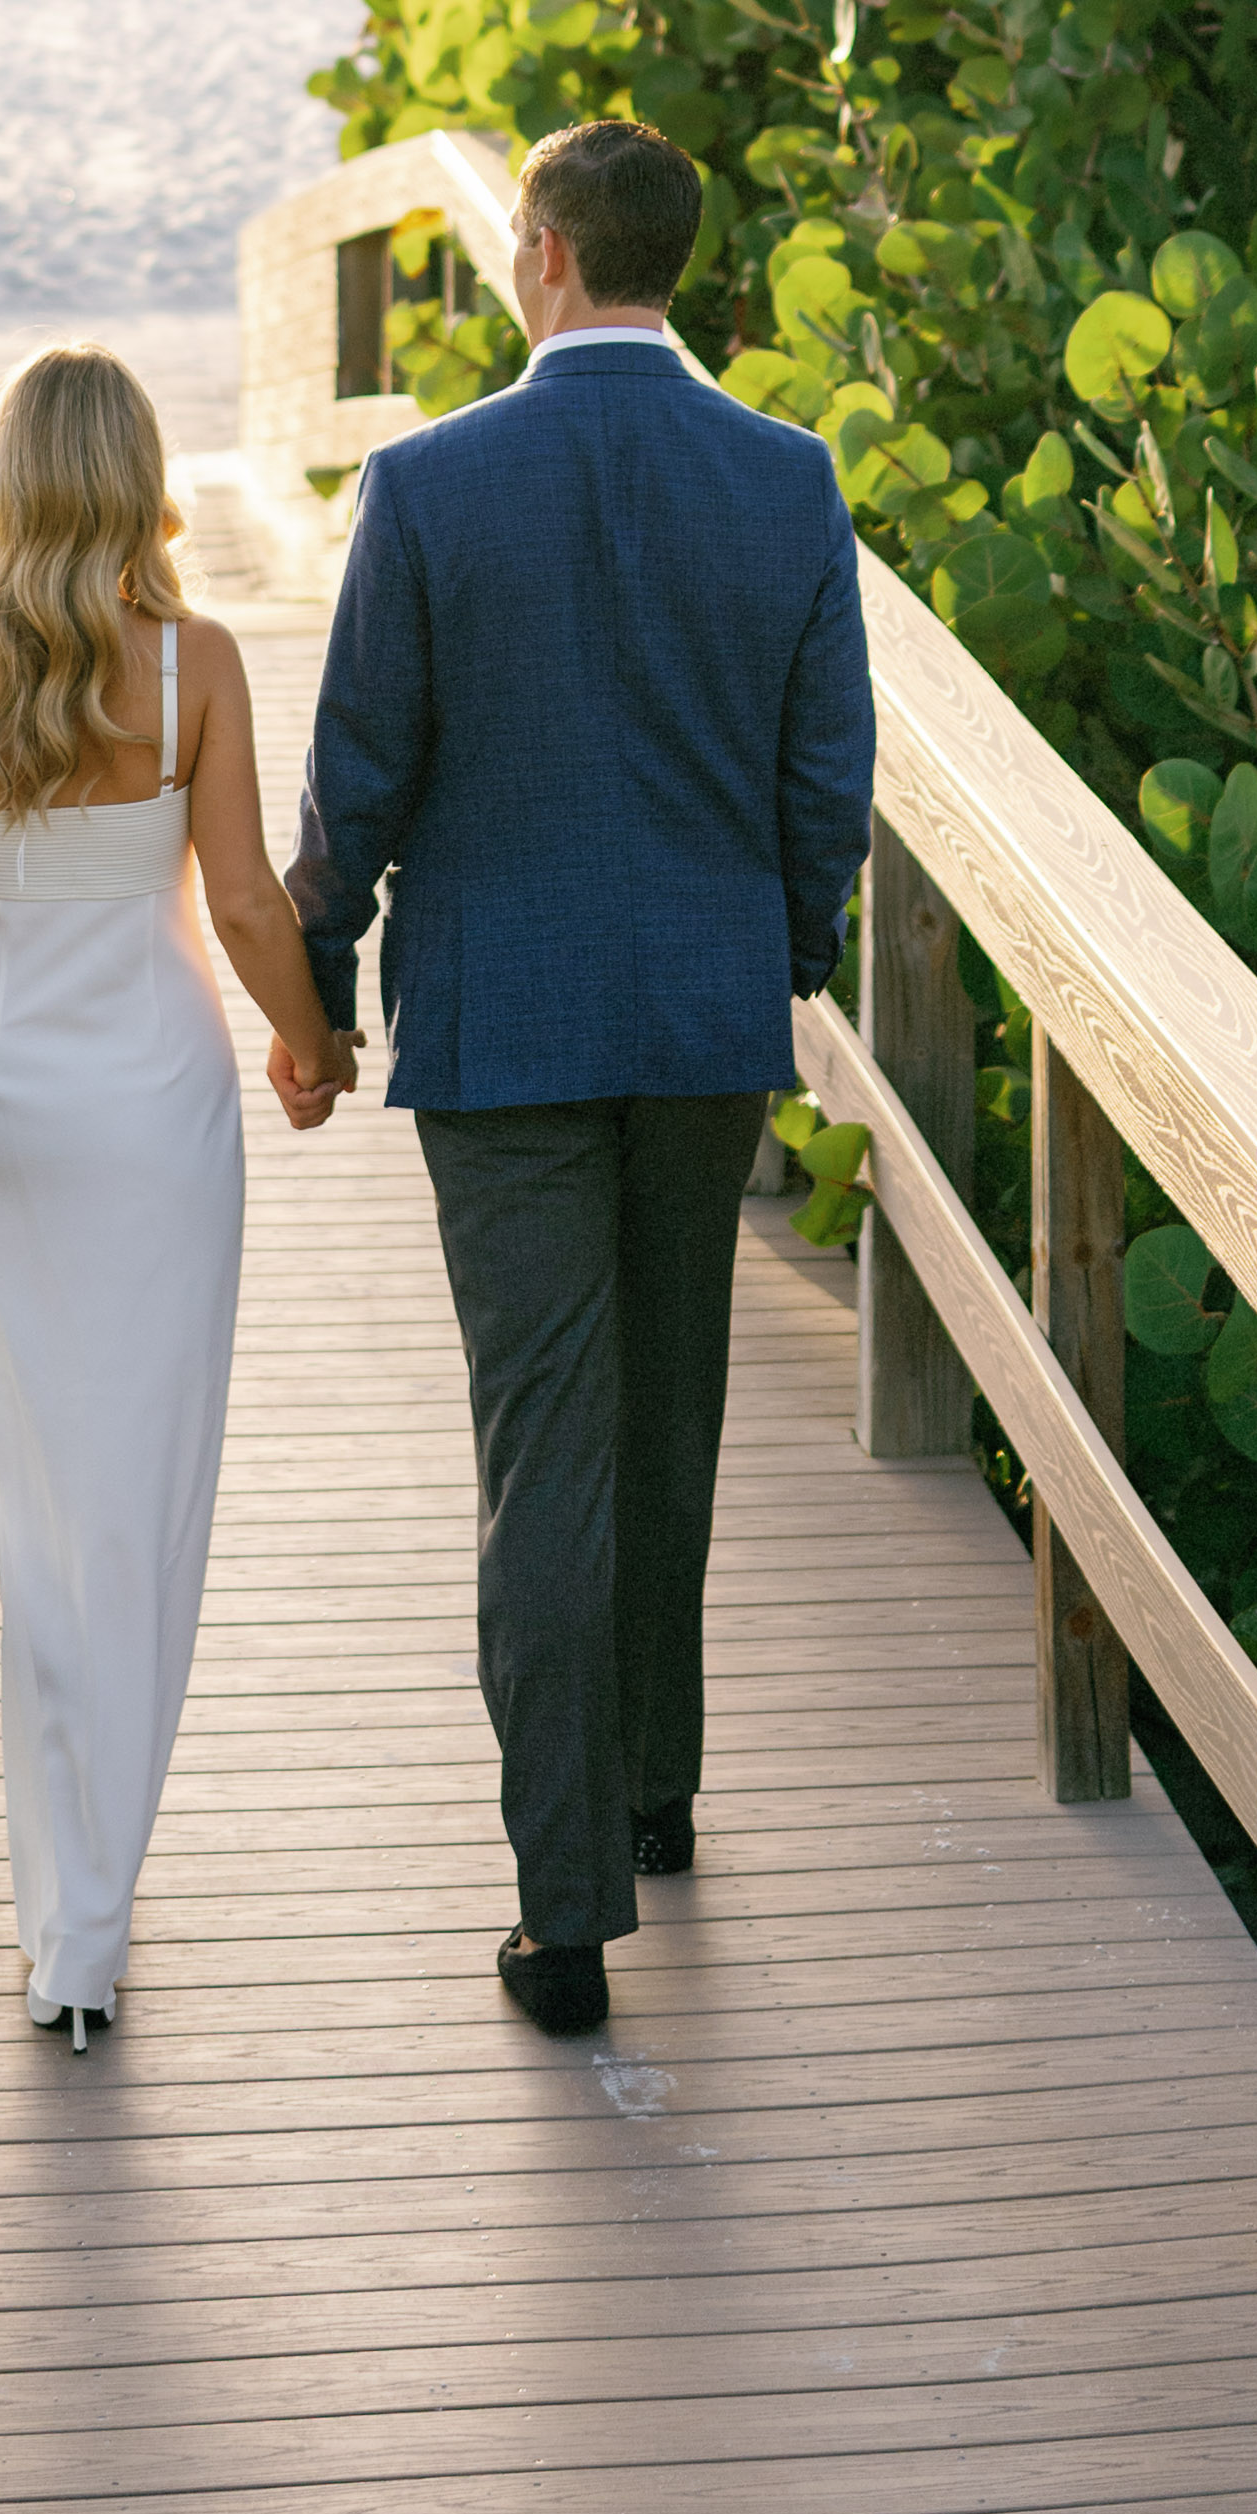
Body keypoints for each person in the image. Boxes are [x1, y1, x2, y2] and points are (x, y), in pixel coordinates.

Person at [292, 117, 874, 2039]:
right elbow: (824, 782)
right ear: (675, 264)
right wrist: (771, 962)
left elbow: (359, 770)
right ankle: (654, 1790)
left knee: (543, 1442)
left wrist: (314, 970)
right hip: (701, 1021)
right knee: (669, 1407)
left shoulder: (430, 483)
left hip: (507, 1030)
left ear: (535, 252)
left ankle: (566, 1911)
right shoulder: (786, 483)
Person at [0, 348, 346, 2048]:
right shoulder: (193, 661)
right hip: (145, 1106)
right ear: (141, 476)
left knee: (37, 1493)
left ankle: (57, 1915)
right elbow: (244, 905)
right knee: (140, 1498)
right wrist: (314, 1048)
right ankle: (85, 1925)